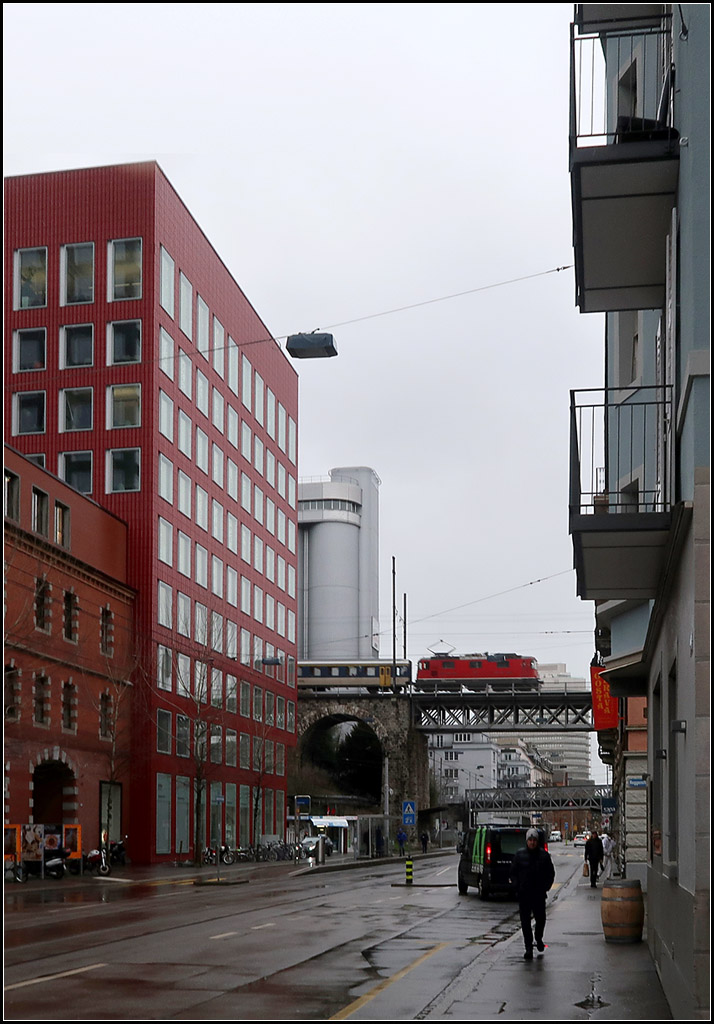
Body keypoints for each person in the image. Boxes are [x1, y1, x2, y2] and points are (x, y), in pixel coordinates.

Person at [510, 828, 555, 960]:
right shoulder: (519, 855)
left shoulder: (544, 856)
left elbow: (550, 873)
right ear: (527, 841)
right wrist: (517, 886)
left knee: (540, 919)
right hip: (524, 895)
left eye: (534, 840)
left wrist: (546, 887)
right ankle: (528, 948)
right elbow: (513, 872)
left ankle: (538, 938)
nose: (532, 843)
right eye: (530, 840)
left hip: (539, 894)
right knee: (525, 923)